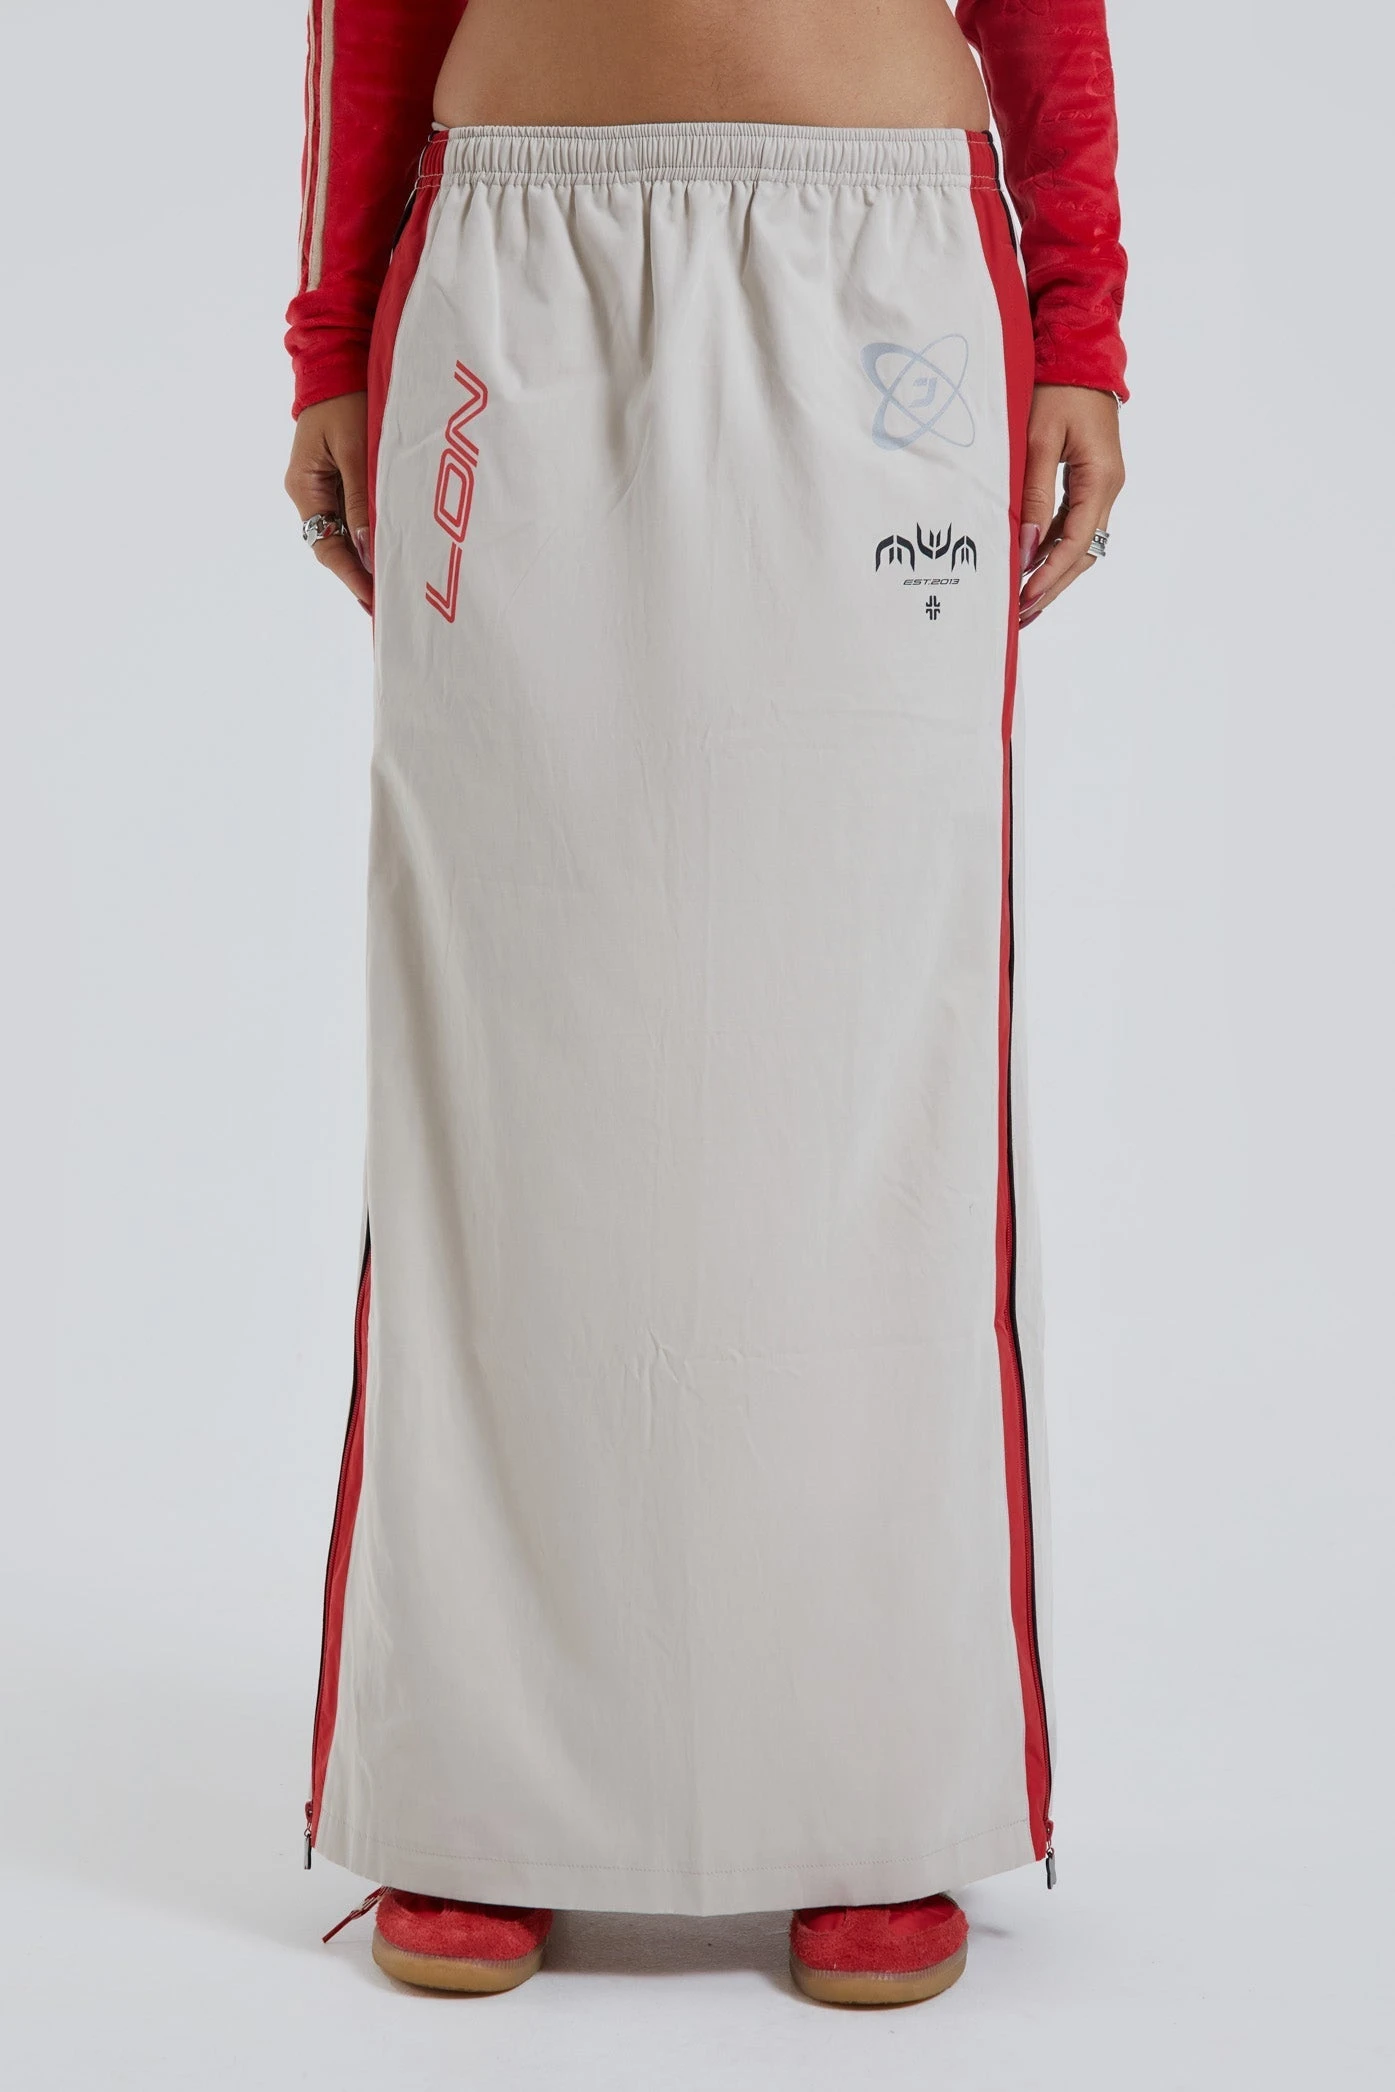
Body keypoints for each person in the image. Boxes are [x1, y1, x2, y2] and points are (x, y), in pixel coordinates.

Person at [284, 0, 1126, 2009]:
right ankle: (482, 1788)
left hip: (873, 273)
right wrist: (331, 340)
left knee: (863, 1047)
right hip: (516, 264)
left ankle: (866, 1788)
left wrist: (1079, 323)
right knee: (507, 1041)